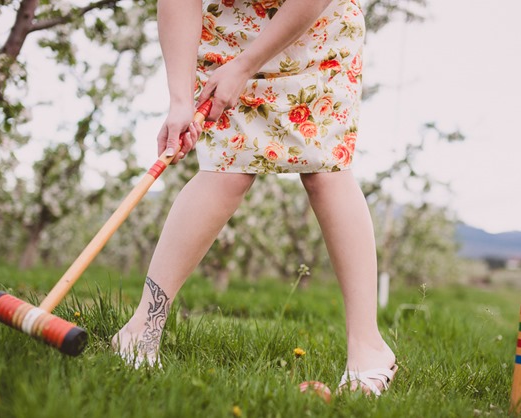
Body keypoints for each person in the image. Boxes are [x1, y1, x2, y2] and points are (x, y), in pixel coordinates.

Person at [112, 0, 397, 396]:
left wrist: (247, 66)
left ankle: (368, 347)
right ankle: (142, 328)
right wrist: (179, 101)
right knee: (224, 170)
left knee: (325, 169)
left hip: (315, 26)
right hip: (232, 27)